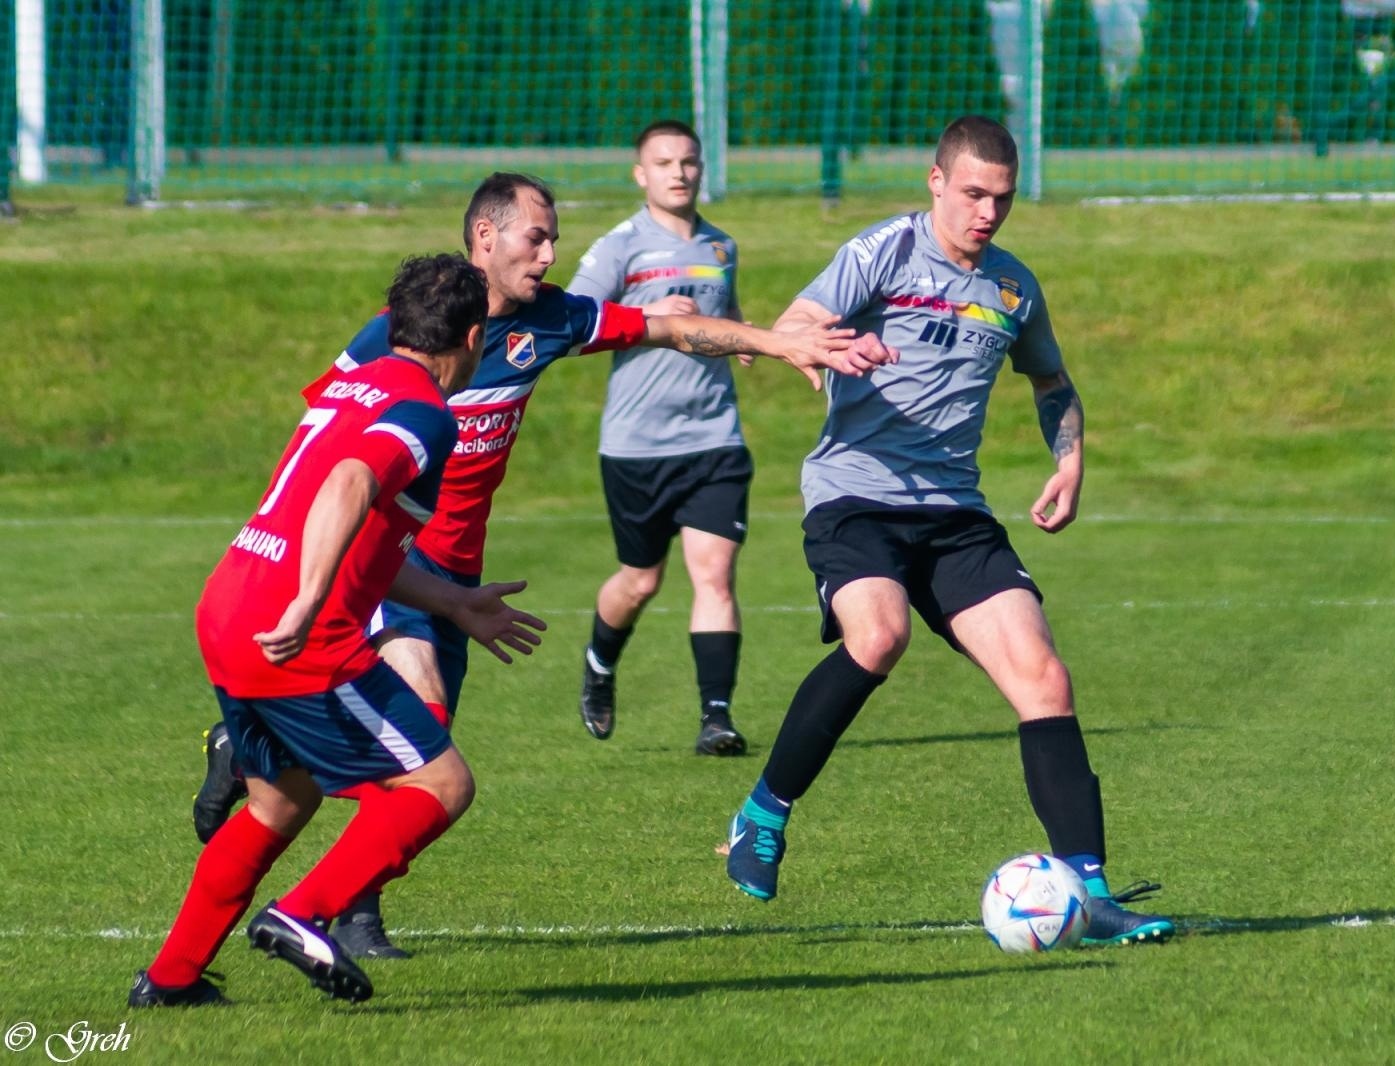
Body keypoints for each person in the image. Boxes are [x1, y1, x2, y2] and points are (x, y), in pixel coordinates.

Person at [191, 171, 893, 958]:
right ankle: (342, 911)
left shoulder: (553, 319)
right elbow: (328, 445)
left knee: (421, 742)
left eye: (554, 238)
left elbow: (665, 329)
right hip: (387, 568)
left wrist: (774, 339)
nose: (552, 253)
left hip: (458, 574)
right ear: (484, 239)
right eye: (537, 237)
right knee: (419, 736)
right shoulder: (397, 333)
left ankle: (256, 763)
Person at [722, 116, 1175, 946]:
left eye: (1001, 198)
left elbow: (1052, 382)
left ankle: (1092, 892)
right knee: (879, 634)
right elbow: (789, 327)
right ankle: (763, 815)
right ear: (936, 183)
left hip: (955, 514)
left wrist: (1069, 459)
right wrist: (829, 346)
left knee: (1044, 679)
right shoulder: (883, 253)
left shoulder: (1012, 287)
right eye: (972, 193)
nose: (987, 213)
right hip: (854, 499)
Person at [131, 254, 546, 1007]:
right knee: (441, 783)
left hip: (227, 605)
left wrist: (452, 603)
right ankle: (301, 916)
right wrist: (308, 600)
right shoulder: (424, 411)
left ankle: (169, 980)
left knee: (280, 801)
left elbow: (365, 537)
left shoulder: (357, 382)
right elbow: (349, 483)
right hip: (296, 631)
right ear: (475, 336)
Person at [565, 120, 753, 755]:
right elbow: (573, 326)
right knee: (640, 581)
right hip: (636, 445)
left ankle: (716, 718)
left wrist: (744, 336)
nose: (679, 172)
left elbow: (725, 316)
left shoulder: (722, 247)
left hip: (714, 438)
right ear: (640, 174)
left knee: (715, 574)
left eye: (690, 161)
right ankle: (599, 663)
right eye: (665, 162)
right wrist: (649, 321)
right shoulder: (619, 247)